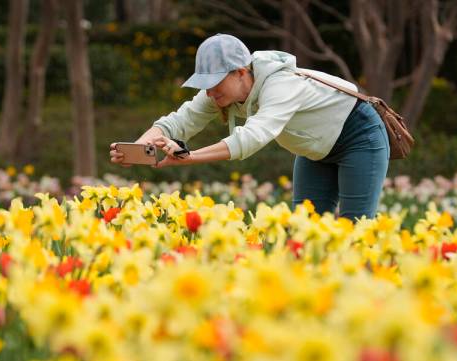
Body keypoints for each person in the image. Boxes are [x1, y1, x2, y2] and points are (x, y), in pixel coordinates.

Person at [109, 33, 390, 221]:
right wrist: (138, 148)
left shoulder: (281, 84)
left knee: (355, 229)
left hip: (358, 137)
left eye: (214, 82)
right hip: (316, 149)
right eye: (204, 84)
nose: (208, 92)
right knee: (304, 231)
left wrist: (188, 156)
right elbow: (178, 122)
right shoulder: (220, 93)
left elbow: (253, 137)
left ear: (241, 72)